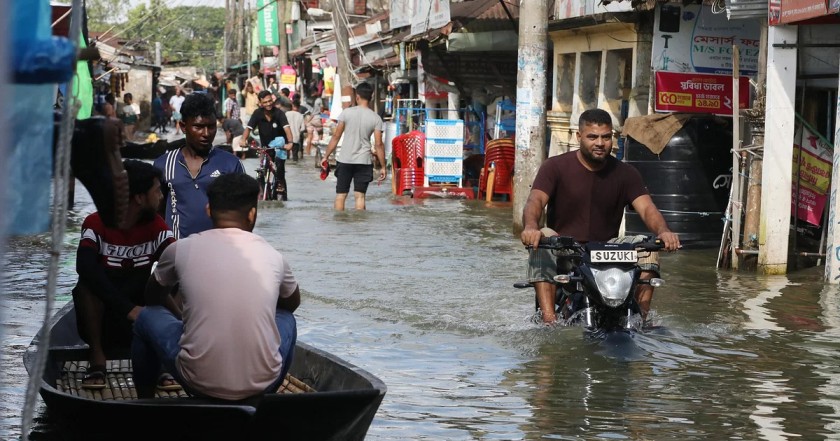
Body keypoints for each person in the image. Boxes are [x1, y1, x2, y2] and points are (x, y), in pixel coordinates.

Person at [131, 173, 300, 400]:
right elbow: (292, 303)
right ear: (252, 214)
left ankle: (144, 402)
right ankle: (263, 399)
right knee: (287, 318)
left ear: (208, 210)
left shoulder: (181, 248)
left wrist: (182, 318)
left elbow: (152, 297)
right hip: (262, 384)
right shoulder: (274, 255)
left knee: (146, 316)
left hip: (197, 381)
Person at [520, 108, 681, 324]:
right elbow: (535, 201)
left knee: (646, 247)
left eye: (606, 137)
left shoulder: (626, 173)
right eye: (592, 137)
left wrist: (664, 231)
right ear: (579, 137)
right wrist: (530, 226)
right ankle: (549, 321)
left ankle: (638, 321)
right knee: (542, 236)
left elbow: (647, 209)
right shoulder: (555, 167)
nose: (600, 143)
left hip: (608, 249)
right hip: (567, 249)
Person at [73, 159, 176, 389]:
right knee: (86, 286)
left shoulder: (156, 226)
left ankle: (161, 357)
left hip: (142, 321)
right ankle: (97, 358)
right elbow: (85, 267)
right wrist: (127, 309)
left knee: (174, 283)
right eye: (157, 191)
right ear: (139, 198)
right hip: (102, 321)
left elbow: (178, 264)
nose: (161, 197)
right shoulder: (96, 222)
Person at [154, 92, 245, 239]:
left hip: (219, 250)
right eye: (198, 127)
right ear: (184, 127)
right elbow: (156, 214)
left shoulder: (230, 164)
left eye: (211, 127)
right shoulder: (164, 164)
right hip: (178, 251)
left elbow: (242, 213)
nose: (206, 133)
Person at [322, 82, 386, 211]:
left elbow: (336, 137)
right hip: (364, 161)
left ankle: (340, 227)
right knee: (360, 196)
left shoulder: (346, 113)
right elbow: (378, 144)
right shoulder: (376, 118)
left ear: (357, 96)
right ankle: (359, 228)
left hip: (345, 160)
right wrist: (383, 166)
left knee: (341, 195)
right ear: (371, 96)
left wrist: (326, 156)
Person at [240, 90, 294, 200]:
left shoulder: (279, 113)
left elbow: (287, 128)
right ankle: (261, 187)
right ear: (260, 103)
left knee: (279, 165)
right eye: (265, 102)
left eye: (270, 101)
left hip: (279, 146)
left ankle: (280, 183)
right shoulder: (257, 113)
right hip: (265, 147)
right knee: (262, 168)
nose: (268, 104)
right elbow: (249, 128)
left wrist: (290, 142)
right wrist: (243, 139)